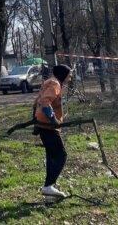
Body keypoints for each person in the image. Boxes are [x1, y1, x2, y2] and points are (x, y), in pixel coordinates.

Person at [32, 64, 72, 199]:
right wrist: (52, 118)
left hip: (42, 124)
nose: (70, 78)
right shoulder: (55, 84)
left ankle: (49, 187)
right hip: (49, 126)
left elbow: (36, 102)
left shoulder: (48, 82)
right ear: (63, 75)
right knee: (61, 155)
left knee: (51, 156)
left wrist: (35, 120)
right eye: (69, 75)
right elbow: (44, 101)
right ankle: (49, 186)